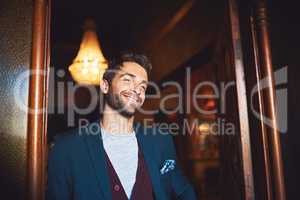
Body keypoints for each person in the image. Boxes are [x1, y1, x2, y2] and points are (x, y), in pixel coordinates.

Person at [47, 52, 197, 200]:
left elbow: (183, 190)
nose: (137, 90)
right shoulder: (66, 147)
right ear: (105, 86)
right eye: (127, 80)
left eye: (142, 86)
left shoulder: (160, 141)